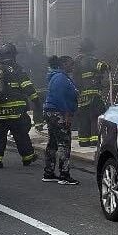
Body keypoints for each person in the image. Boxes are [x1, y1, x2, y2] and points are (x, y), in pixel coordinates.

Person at [0, 42, 40, 168]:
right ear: (13, 55)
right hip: (15, 112)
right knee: (21, 135)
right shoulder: (16, 69)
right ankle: (28, 157)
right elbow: (27, 86)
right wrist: (36, 100)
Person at [42, 55, 78, 185]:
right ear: (63, 64)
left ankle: (49, 172)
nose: (72, 66)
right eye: (70, 64)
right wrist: (67, 114)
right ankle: (64, 175)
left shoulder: (58, 76)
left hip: (52, 113)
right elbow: (60, 98)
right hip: (59, 113)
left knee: (53, 143)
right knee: (64, 143)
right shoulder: (60, 78)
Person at [74, 38, 110, 148]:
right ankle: (95, 140)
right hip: (93, 94)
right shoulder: (90, 59)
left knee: (83, 119)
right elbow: (101, 66)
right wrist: (107, 66)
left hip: (81, 96)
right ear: (89, 49)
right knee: (95, 116)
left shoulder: (76, 61)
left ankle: (83, 141)